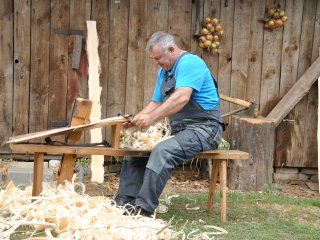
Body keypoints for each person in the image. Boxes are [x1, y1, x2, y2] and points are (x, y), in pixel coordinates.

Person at [115, 31, 223, 217]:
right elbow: (156, 102)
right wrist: (138, 118)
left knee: (163, 150)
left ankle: (143, 208)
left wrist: (151, 119)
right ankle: (124, 200)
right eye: (153, 59)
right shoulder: (164, 72)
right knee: (138, 147)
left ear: (171, 49)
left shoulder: (191, 63)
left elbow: (182, 97)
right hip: (180, 131)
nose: (156, 63)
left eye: (158, 58)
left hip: (205, 129)